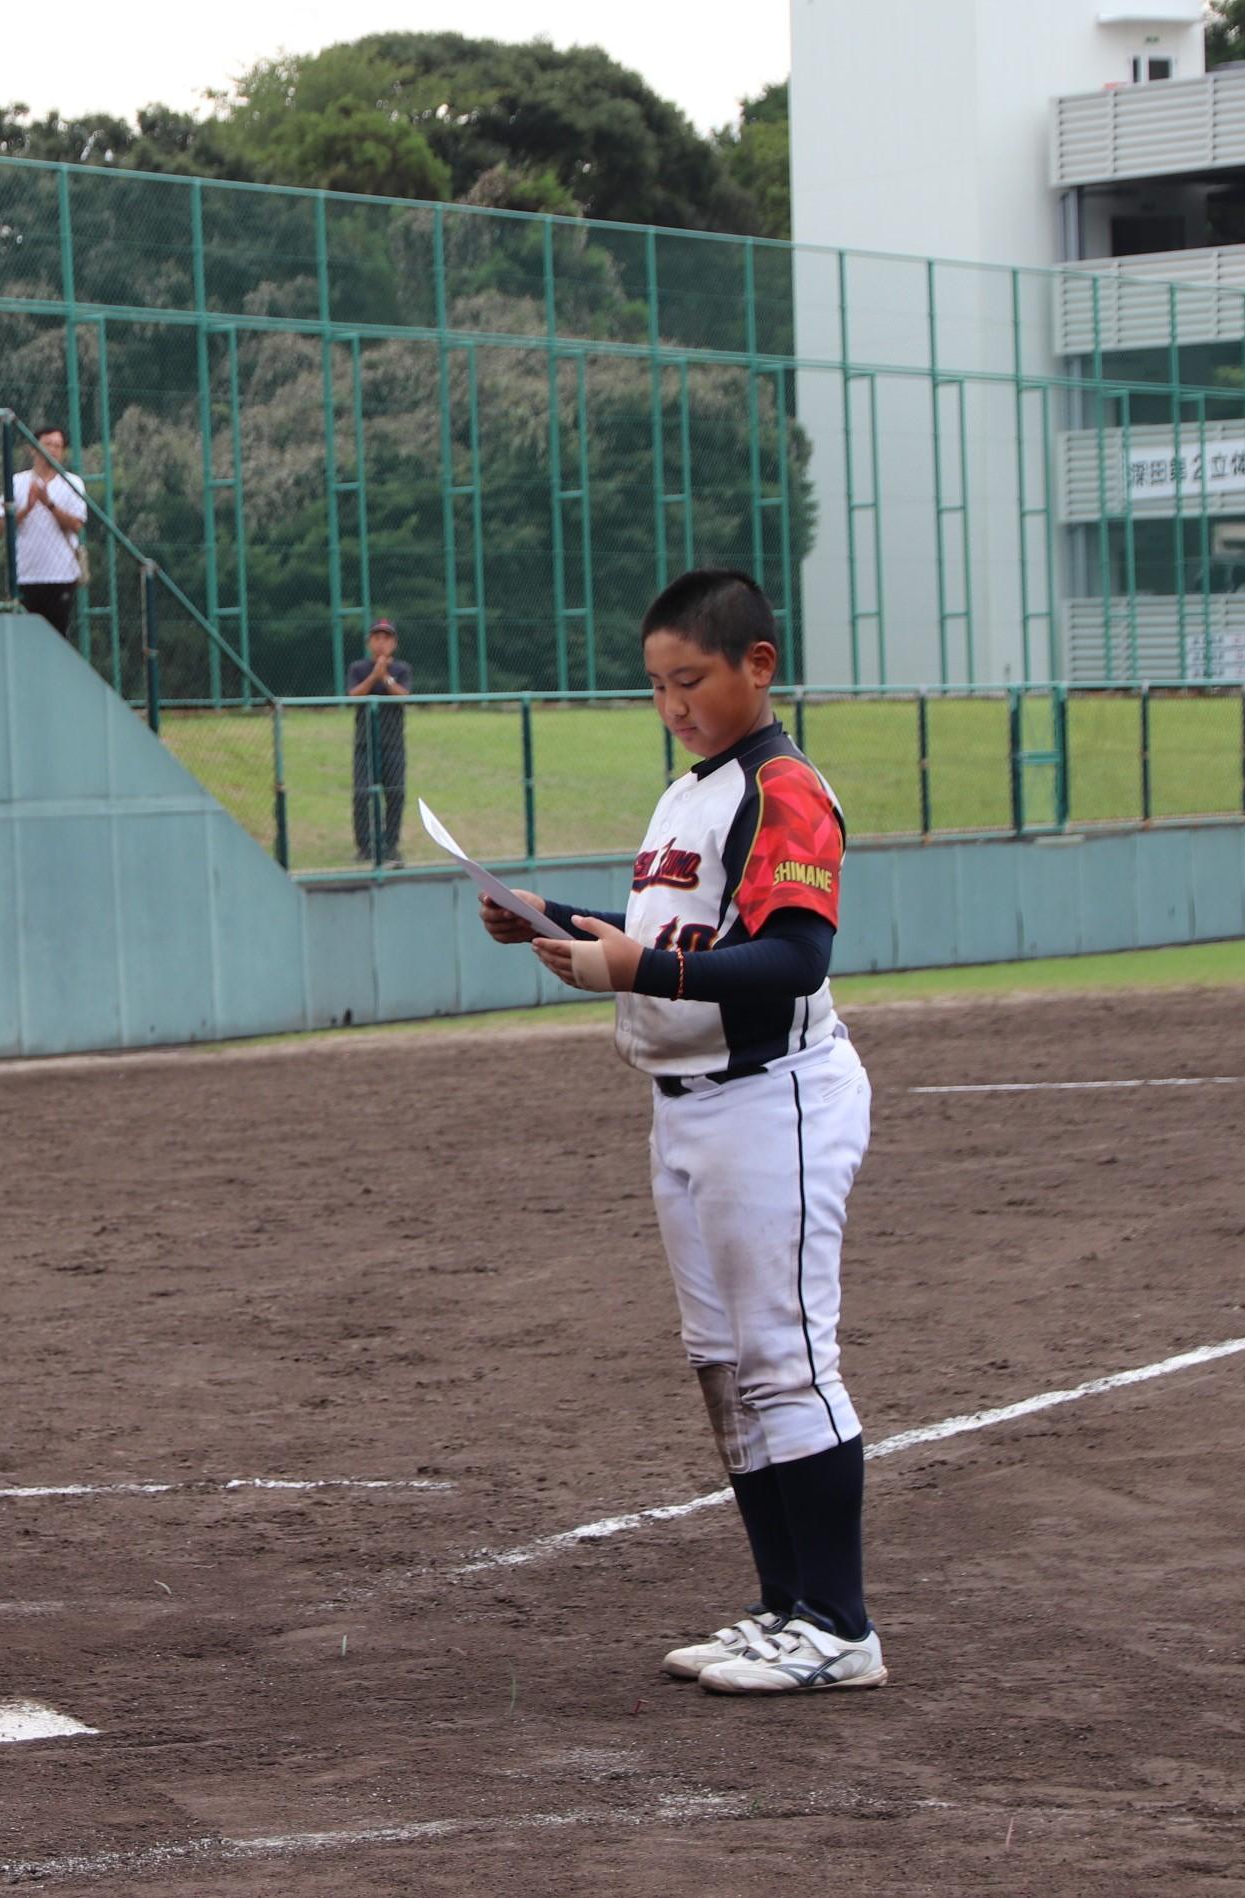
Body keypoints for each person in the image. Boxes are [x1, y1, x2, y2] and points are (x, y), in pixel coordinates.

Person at [480, 569, 881, 1698]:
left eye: (689, 679)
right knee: (723, 1366)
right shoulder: (689, 793)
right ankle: (782, 1606)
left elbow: (793, 956)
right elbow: (682, 937)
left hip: (772, 1098)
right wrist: (550, 923)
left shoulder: (783, 785)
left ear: (756, 663)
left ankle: (838, 1624)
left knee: (787, 1361)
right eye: (656, 684)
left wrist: (633, 965)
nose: (672, 703)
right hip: (689, 1103)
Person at [0, 424, 87, 638]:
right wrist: (26, 508)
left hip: (61, 576)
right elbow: (1, 528)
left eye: (58, 446)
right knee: (25, 640)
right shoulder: (16, 482)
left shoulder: (73, 483)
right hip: (25, 576)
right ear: (33, 448)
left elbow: (76, 525)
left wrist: (49, 504)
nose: (53, 450)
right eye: (48, 444)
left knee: (57, 639)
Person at [346, 618, 413, 868]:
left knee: (395, 793)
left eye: (386, 638)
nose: (381, 642)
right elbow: (353, 695)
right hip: (365, 742)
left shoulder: (402, 670)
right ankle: (364, 846)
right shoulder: (358, 668)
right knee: (362, 793)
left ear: (394, 643)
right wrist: (374, 675)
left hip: (393, 742)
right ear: (369, 642)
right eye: (376, 637)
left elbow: (404, 697)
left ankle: (390, 845)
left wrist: (385, 677)